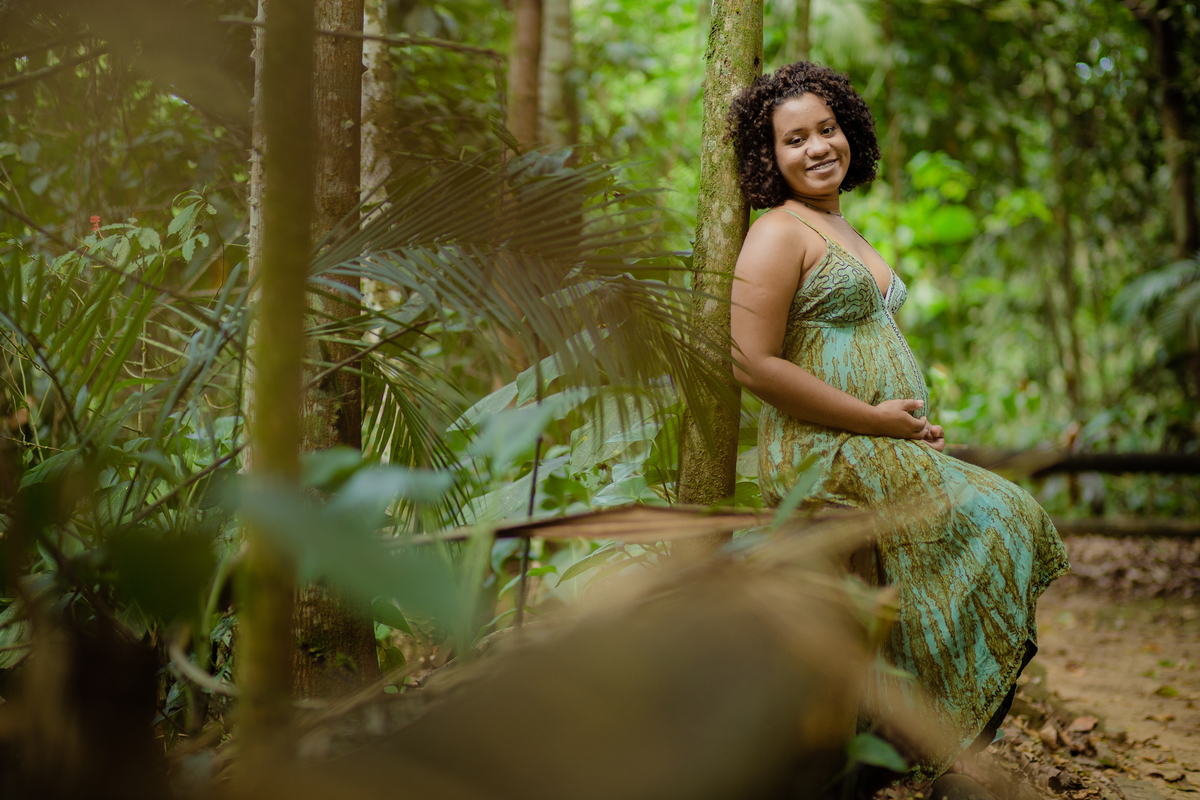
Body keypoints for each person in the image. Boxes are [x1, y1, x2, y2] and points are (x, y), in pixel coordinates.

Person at [726, 61, 1070, 797]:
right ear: (768, 156)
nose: (819, 147)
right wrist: (875, 419)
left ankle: (940, 744)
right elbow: (751, 365)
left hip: (875, 439)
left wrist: (905, 427)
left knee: (1009, 520)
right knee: (1002, 516)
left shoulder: (837, 222)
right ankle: (933, 742)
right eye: (795, 139)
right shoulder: (776, 234)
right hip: (825, 451)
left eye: (829, 128)